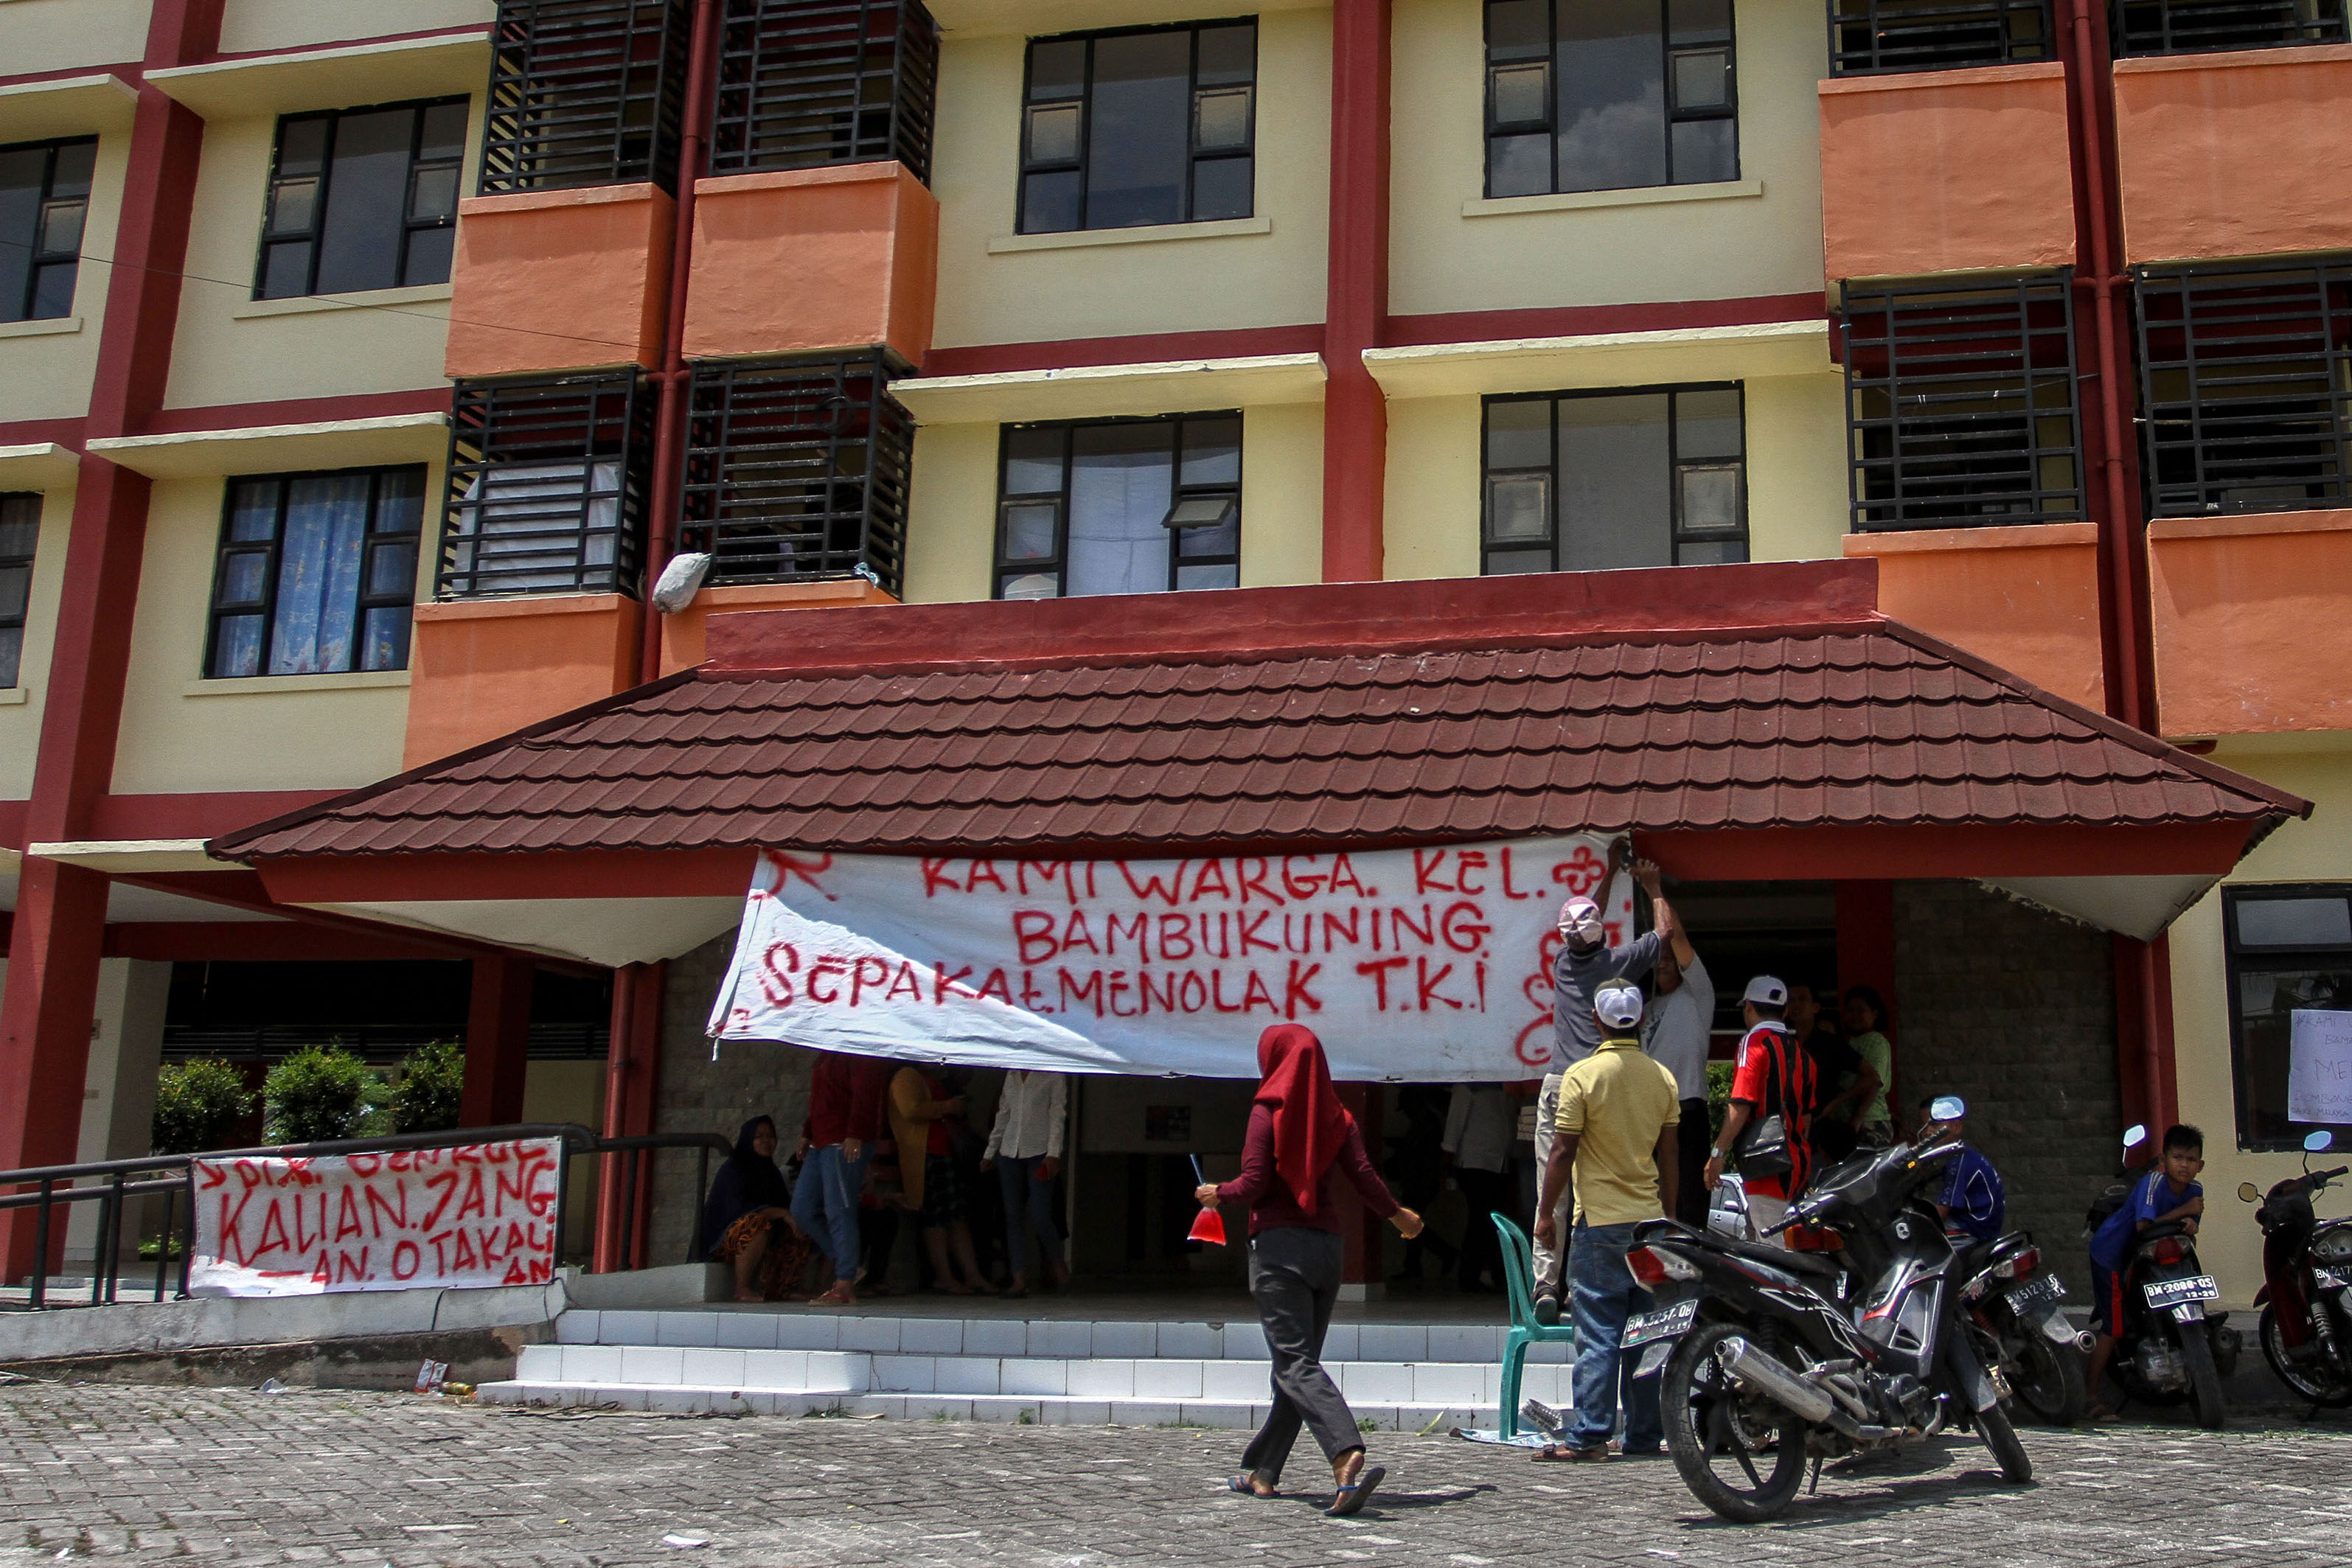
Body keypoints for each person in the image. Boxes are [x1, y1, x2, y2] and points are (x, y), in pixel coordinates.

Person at [1194, 1025, 1424, 1517]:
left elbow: (1256, 1182)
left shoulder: (1266, 1110)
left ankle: (1344, 1450)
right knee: (1297, 1368)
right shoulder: (1338, 1115)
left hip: (1279, 1250)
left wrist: (1220, 1193)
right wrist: (1399, 1215)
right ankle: (1263, 1472)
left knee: (1295, 1364)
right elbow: (1363, 1178)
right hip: (1327, 1251)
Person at [1532, 982, 1681, 1462]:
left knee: (1598, 1333)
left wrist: (1544, 1212)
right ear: (1639, 1022)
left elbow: (1562, 1149)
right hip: (1650, 1226)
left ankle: (1590, 1435)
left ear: (1597, 1021)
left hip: (1599, 1225)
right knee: (1643, 1335)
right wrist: (1670, 1217)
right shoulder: (1662, 1077)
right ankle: (1642, 1437)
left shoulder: (1582, 1076)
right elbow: (1670, 1156)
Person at [1534, 843, 1679, 1321]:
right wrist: (1652, 885)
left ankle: (1545, 1285)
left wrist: (1609, 874)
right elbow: (1664, 931)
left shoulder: (1561, 962)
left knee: (1550, 1188)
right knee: (1590, 1189)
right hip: (1600, 1086)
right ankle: (1582, 1286)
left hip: (1560, 1084)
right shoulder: (1618, 963)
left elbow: (1584, 921)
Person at [2084, 1123, 2206, 1422]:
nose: (2184, 1165)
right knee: (2114, 1327)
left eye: (2191, 1160)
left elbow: (2190, 1227)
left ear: (2200, 1165)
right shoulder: (2153, 1183)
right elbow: (2144, 1226)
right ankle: (2089, 1398)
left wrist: (2191, 1222)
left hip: (2147, 1256)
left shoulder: (2196, 1190)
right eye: (2178, 1158)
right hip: (2112, 1252)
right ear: (2163, 1160)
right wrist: (2184, 1213)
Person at [1702, 977, 1818, 1247]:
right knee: (1790, 1246)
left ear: (1749, 1008)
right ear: (1785, 1012)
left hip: (1766, 1165)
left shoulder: (1753, 1043)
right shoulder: (1804, 1055)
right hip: (1799, 1166)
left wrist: (1718, 1154)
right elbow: (1808, 1118)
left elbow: (1741, 1104)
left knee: (1775, 1254)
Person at [793, 1050, 886, 1306]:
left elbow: (866, 1092)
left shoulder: (858, 1047)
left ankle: (844, 1283)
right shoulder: (825, 1052)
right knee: (802, 1208)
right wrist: (807, 1132)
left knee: (839, 1209)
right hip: (821, 1140)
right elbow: (820, 1098)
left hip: (844, 1140)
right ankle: (850, 1264)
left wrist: (856, 1131)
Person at [889, 1062, 991, 1295]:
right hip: (927, 1153)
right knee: (936, 1218)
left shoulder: (931, 1077)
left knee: (956, 1216)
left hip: (944, 1152)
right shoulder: (907, 1076)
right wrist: (947, 1107)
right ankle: (944, 1276)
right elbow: (911, 1110)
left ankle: (972, 1275)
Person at [1640, 927, 1714, 1227]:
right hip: (1649, 1111)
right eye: (1658, 958)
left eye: (1670, 958)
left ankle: (1692, 1259)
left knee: (1689, 1193)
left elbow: (1680, 936)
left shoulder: (1698, 994)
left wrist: (1654, 890)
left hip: (1687, 1106)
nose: (1664, 963)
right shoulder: (1643, 1010)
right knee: (1653, 1193)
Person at [981, 1068, 1070, 1298]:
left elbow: (1057, 1114)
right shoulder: (1011, 1075)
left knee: (1041, 1216)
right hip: (1009, 1152)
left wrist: (1054, 1153)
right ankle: (1019, 1278)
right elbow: (1004, 1114)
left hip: (1040, 1153)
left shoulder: (1053, 1075)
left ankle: (1059, 1266)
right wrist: (990, 1152)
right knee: (1012, 1217)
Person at [701, 1116, 811, 1303]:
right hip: (723, 1240)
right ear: (748, 1139)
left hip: (761, 1238)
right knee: (757, 1223)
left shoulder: (771, 1172)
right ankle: (741, 1288)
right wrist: (781, 1213)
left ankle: (783, 1288)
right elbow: (741, 1210)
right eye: (759, 1136)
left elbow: (784, 1205)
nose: (766, 1141)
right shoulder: (735, 1168)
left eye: (770, 1136)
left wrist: (789, 1216)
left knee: (799, 1226)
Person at [1443, 1082, 1515, 1293]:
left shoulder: (1507, 1087)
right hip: (1474, 1162)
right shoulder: (1467, 1086)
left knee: (1494, 1223)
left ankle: (1496, 1277)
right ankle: (1471, 1277)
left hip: (1500, 1164)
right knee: (1480, 1222)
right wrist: (1447, 1164)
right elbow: (1453, 1127)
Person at [1385, 1084, 1461, 1284]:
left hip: (1420, 1182)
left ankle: (1443, 1253)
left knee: (1410, 1222)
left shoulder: (1425, 1125)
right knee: (1410, 1223)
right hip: (1417, 1181)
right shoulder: (1423, 1124)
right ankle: (1414, 1265)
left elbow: (1421, 1156)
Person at [1789, 983, 1868, 1165]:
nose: (1796, 1005)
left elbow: (1871, 1076)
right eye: (1791, 1001)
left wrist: (1836, 1104)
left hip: (1822, 1131)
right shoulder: (1783, 1043)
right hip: (1790, 1129)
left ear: (1815, 1007)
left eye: (1802, 1000)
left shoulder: (1830, 1043)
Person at [1916, 1095, 2005, 1241]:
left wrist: (1919, 1226)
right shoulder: (1955, 1154)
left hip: (1975, 1226)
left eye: (1935, 1125)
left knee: (1922, 1239)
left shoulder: (1958, 1161)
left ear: (1957, 1127)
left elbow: (1943, 1209)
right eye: (1923, 1126)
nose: (1927, 1132)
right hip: (1977, 1222)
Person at [1842, 987, 1896, 1149]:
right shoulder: (1852, 1042)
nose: (1855, 1015)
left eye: (1861, 1010)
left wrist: (1856, 1120)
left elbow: (1874, 1082)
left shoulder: (1876, 1041)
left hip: (1867, 1123)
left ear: (1875, 1014)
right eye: (1850, 1010)